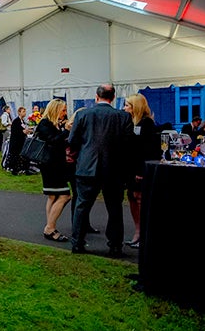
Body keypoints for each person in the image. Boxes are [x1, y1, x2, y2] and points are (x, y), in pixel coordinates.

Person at [68, 84, 133, 256]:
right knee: (115, 209)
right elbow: (128, 144)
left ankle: (77, 243)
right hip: (113, 169)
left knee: (82, 206)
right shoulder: (123, 117)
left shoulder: (83, 114)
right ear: (112, 98)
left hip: (87, 166)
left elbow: (72, 140)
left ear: (96, 97)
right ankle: (115, 245)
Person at [122, 94, 160, 247]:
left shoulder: (147, 124)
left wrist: (141, 171)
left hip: (140, 168)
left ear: (135, 107)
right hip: (130, 167)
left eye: (127, 105)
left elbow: (148, 150)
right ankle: (137, 231)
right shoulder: (130, 123)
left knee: (140, 198)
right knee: (131, 196)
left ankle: (143, 234)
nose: (125, 108)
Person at [35, 99, 72, 242]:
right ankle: (49, 228)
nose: (64, 113)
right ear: (55, 110)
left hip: (54, 164)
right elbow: (53, 141)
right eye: (63, 110)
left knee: (52, 196)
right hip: (51, 166)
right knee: (64, 196)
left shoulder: (52, 124)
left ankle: (50, 226)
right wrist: (66, 132)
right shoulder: (45, 124)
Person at [5, 106, 28, 173]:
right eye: (23, 111)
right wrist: (22, 132)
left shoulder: (22, 121)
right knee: (15, 155)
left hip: (21, 141)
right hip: (16, 142)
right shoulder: (16, 121)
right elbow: (15, 131)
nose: (25, 113)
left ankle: (21, 168)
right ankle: (13, 168)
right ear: (19, 112)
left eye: (25, 111)